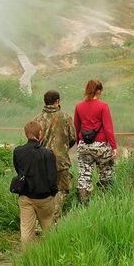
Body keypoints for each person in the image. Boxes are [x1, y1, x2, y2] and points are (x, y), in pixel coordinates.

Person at [12, 121, 58, 250]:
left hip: (25, 197)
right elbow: (52, 178)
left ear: (26, 134)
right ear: (40, 134)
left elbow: (19, 170)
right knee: (49, 229)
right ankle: (51, 255)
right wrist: (52, 193)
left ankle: (28, 259)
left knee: (26, 230)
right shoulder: (48, 154)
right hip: (45, 198)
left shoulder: (18, 151)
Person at [34, 90, 76, 221]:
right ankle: (53, 219)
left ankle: (40, 221)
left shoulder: (37, 119)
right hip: (60, 162)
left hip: (41, 162)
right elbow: (73, 137)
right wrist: (63, 148)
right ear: (57, 101)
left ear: (44, 102)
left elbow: (33, 141)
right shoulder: (66, 117)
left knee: (43, 192)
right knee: (62, 190)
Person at [74, 80, 118, 205]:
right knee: (105, 173)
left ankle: (83, 204)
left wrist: (79, 143)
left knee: (84, 174)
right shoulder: (103, 106)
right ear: (98, 91)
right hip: (101, 145)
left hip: (84, 145)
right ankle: (105, 201)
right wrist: (114, 146)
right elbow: (108, 128)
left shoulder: (79, 106)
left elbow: (76, 127)